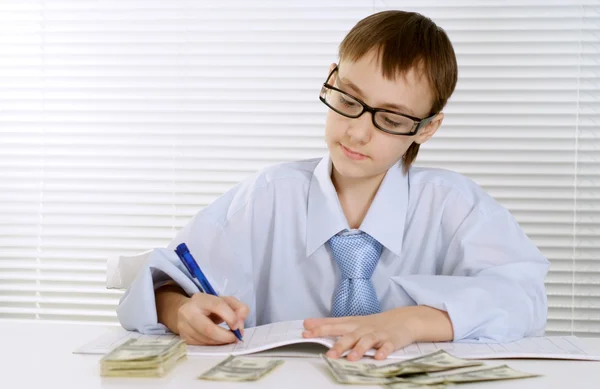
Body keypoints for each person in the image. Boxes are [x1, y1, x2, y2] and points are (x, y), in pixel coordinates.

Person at [114, 10, 549, 361]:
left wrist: (412, 322)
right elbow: (168, 281)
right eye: (347, 101)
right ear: (332, 78)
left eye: (392, 119)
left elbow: (523, 297)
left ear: (428, 128)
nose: (357, 133)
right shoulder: (268, 196)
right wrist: (180, 310)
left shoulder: (457, 207)